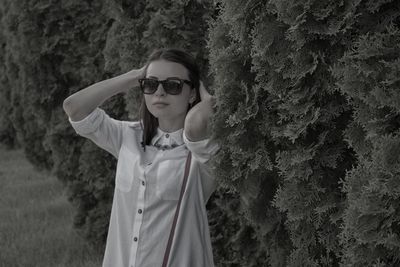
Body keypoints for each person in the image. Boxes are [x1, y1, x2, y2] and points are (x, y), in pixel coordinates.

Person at [63, 48, 220, 267]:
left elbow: (197, 124)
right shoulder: (128, 136)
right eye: (151, 84)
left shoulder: (200, 152)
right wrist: (133, 77)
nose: (159, 93)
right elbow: (74, 108)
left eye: (173, 85)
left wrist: (209, 101)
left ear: (192, 93)